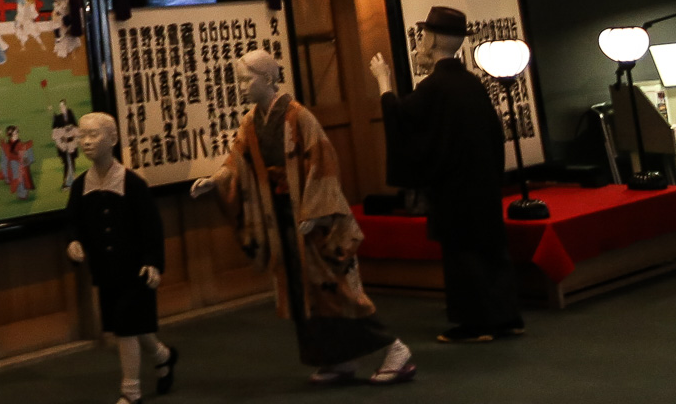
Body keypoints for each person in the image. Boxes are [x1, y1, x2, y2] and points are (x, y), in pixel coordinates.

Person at [191, 52, 415, 387]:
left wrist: (314, 212)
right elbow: (237, 157)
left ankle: (396, 351)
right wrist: (217, 179)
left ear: (268, 79)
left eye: (246, 78)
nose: (240, 86)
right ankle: (337, 359)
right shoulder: (252, 121)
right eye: (238, 79)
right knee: (302, 293)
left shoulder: (299, 117)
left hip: (313, 220)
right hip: (280, 219)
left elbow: (323, 162)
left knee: (335, 290)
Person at [371, 8, 524, 344]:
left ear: (434, 39)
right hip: (483, 182)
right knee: (491, 249)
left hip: (455, 188)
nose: (421, 40)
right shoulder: (470, 83)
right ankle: (507, 317)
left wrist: (384, 82)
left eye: (425, 34)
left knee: (463, 255)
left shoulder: (437, 86)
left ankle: (476, 324)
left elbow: (402, 120)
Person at [67, 113, 178, 404]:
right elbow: (73, 222)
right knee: (130, 325)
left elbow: (152, 228)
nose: (86, 142)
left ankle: (131, 392)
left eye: (94, 135)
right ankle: (164, 357)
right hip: (105, 272)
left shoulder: (133, 184)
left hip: (136, 271)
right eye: (82, 136)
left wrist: (153, 261)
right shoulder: (81, 186)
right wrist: (74, 242)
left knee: (126, 329)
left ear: (113, 139)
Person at [0, 125, 36, 199]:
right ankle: (22, 194)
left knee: (22, 178)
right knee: (19, 178)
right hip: (14, 164)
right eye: (15, 133)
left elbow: (22, 149)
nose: (17, 134)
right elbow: (8, 155)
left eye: (17, 132)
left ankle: (23, 193)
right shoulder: (8, 145)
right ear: (11, 134)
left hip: (20, 163)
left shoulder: (17, 142)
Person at [51, 101, 82, 189]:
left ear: (65, 106)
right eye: (60, 107)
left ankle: (73, 181)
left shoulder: (70, 115)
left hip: (71, 144)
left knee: (72, 161)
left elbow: (76, 128)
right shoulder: (58, 118)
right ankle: (66, 182)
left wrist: (75, 140)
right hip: (64, 145)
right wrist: (61, 144)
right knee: (67, 163)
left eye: (63, 106)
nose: (62, 108)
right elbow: (55, 132)